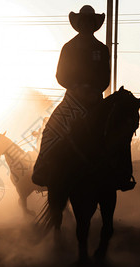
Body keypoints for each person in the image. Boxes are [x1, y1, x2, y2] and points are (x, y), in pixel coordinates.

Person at [32, 5, 110, 187]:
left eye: (89, 22)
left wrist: (93, 90)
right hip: (73, 100)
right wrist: (76, 87)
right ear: (79, 24)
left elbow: (105, 77)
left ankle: (120, 174)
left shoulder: (102, 49)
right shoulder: (68, 48)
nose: (86, 25)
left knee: (118, 130)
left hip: (95, 99)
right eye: (84, 22)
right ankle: (42, 167)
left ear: (93, 24)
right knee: (51, 129)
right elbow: (60, 75)